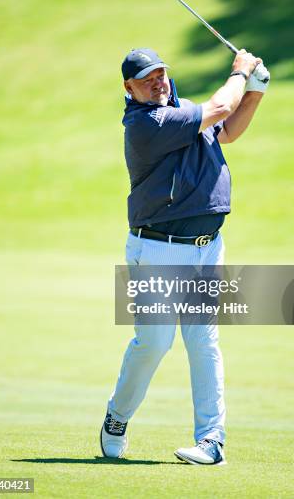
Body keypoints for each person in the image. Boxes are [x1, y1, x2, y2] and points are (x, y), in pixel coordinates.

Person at [100, 47, 269, 465]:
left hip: (207, 247)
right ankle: (117, 418)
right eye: (146, 79)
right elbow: (220, 107)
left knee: (203, 340)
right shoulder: (147, 124)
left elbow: (225, 130)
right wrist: (241, 72)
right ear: (129, 88)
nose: (157, 83)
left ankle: (211, 440)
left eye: (160, 74)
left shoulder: (183, 112)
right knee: (154, 343)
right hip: (158, 246)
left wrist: (257, 91)